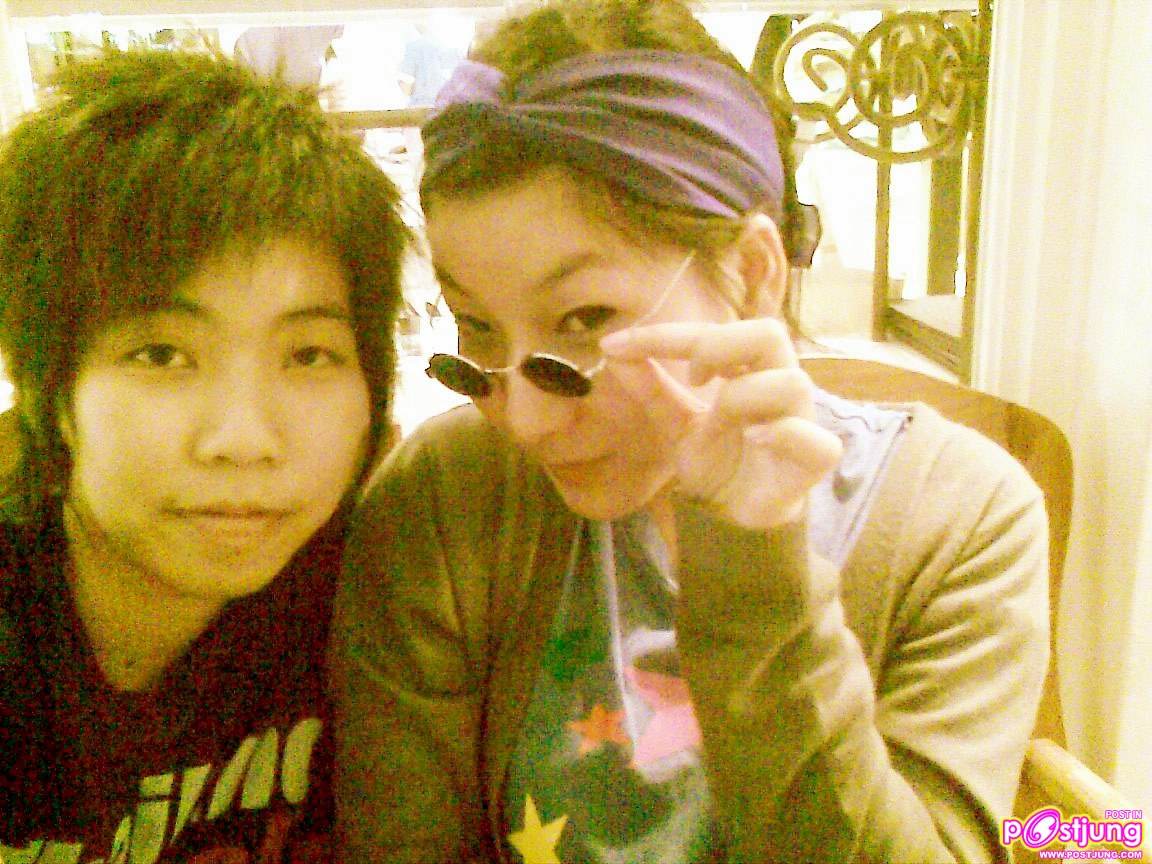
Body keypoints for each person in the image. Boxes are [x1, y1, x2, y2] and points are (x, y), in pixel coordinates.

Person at [331, 0, 1049, 861]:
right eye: (476, 326)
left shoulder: (958, 519)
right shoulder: (446, 497)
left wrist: (753, 577)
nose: (525, 418)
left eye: (584, 319)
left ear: (751, 273)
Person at [0, 47, 407, 861]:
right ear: (52, 393)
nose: (244, 441)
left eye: (309, 355)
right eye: (161, 355)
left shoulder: (378, 596)